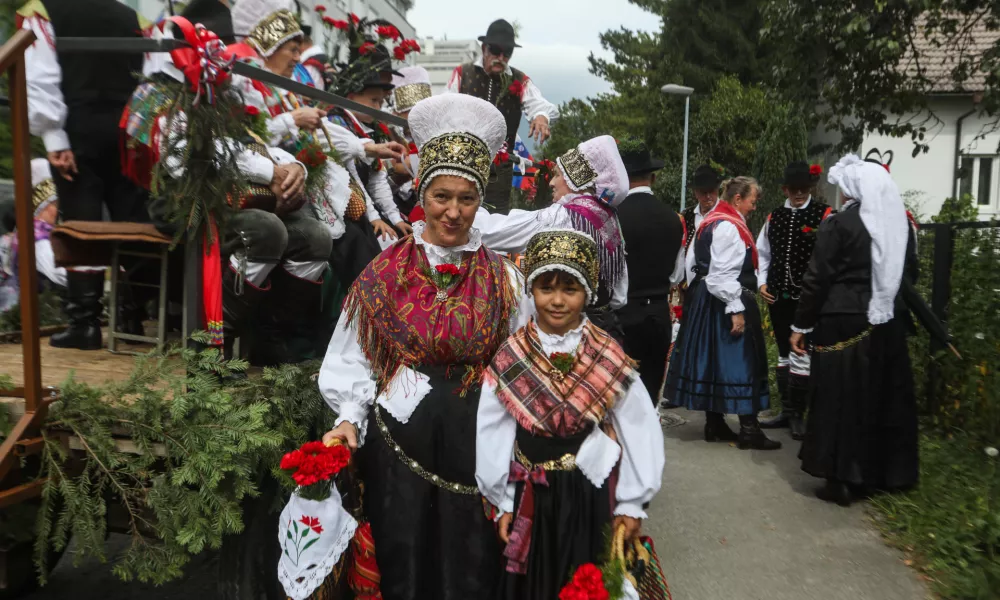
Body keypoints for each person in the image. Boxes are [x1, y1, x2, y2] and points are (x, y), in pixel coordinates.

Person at [318, 94, 526, 600]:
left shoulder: (504, 281)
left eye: (466, 199)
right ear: (423, 195)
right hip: (398, 451)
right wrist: (348, 417)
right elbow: (354, 355)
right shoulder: (384, 273)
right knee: (403, 555)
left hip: (476, 452)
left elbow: (522, 364)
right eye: (440, 196)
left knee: (468, 560)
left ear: (480, 202)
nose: (453, 212)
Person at [123, 11, 331, 361]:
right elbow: (192, 156)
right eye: (211, 48)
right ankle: (212, 347)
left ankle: (271, 339)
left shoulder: (226, 90)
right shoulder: (161, 93)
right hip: (186, 200)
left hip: (240, 195)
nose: (222, 55)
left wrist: (294, 166)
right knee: (266, 230)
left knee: (316, 236)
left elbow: (256, 137)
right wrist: (270, 172)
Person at [476, 228, 664, 599]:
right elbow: (492, 430)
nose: (557, 301)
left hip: (590, 494)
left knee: (587, 576)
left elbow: (639, 427)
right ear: (532, 290)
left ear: (587, 293)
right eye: (547, 288)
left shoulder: (606, 353)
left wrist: (631, 502)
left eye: (570, 289)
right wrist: (503, 500)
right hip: (535, 497)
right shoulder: (512, 355)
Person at [20, 0, 152, 349]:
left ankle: (85, 324)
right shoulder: (133, 16)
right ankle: (132, 316)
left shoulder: (46, 10)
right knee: (133, 221)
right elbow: (152, 77)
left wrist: (54, 136)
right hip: (129, 131)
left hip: (78, 132)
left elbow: (39, 77)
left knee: (81, 223)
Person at [792, 154, 918, 507]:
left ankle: (841, 479)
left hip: (842, 318)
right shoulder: (901, 225)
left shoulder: (840, 225)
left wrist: (800, 324)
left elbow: (817, 278)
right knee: (880, 395)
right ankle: (883, 474)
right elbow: (911, 274)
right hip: (885, 319)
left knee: (840, 397)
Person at [474, 135, 631, 342]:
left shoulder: (564, 216)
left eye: (557, 175)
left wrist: (465, 208)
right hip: (606, 331)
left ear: (576, 182)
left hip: (568, 331)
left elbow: (494, 232)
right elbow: (619, 296)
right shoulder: (608, 218)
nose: (551, 182)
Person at [664, 177, 781, 450]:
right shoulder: (728, 226)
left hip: (709, 300)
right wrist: (736, 309)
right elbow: (721, 275)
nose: (754, 206)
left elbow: (693, 265)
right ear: (737, 199)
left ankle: (714, 424)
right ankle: (749, 430)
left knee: (714, 361)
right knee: (741, 363)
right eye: (752, 200)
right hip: (727, 298)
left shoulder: (711, 221)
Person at [446, 18, 558, 214]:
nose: (500, 57)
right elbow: (443, 108)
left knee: (495, 218)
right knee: (460, 214)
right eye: (495, 50)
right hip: (462, 162)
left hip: (499, 170)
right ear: (484, 48)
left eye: (507, 52)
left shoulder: (520, 80)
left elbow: (540, 105)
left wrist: (541, 117)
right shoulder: (463, 73)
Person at [756, 161, 834, 438]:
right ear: (785, 189)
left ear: (811, 188)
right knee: (783, 350)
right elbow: (762, 253)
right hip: (779, 297)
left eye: (804, 188)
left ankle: (799, 414)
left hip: (808, 299)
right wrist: (762, 281)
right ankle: (787, 411)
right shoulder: (773, 217)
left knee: (802, 351)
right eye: (793, 189)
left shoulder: (824, 214)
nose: (799, 193)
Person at [615, 139, 685, 403]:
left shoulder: (614, 215)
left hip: (624, 314)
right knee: (650, 393)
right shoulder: (673, 218)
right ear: (652, 178)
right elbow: (677, 274)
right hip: (657, 314)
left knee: (621, 395)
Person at [0, 158, 68, 312]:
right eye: (55, 204)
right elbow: (58, 273)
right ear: (44, 206)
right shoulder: (37, 236)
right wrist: (92, 272)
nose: (59, 211)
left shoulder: (31, 230)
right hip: (28, 311)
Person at [682, 164, 723, 252]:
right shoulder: (687, 215)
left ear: (717, 189)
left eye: (711, 191)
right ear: (695, 193)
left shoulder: (726, 215)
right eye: (704, 192)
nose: (708, 196)